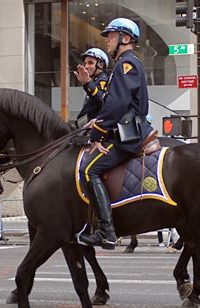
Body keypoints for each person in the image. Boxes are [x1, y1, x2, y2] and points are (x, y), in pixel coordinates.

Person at [78, 18, 153, 249]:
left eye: (111, 36)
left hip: (129, 133)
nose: (107, 40)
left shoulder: (125, 64)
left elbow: (117, 105)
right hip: (124, 129)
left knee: (88, 169)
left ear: (126, 38)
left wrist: (97, 133)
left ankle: (106, 231)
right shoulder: (124, 64)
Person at [74, 47, 109, 125]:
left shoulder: (103, 80)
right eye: (85, 63)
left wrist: (87, 83)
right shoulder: (95, 81)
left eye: (90, 63)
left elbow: (100, 99)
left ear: (100, 65)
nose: (86, 66)